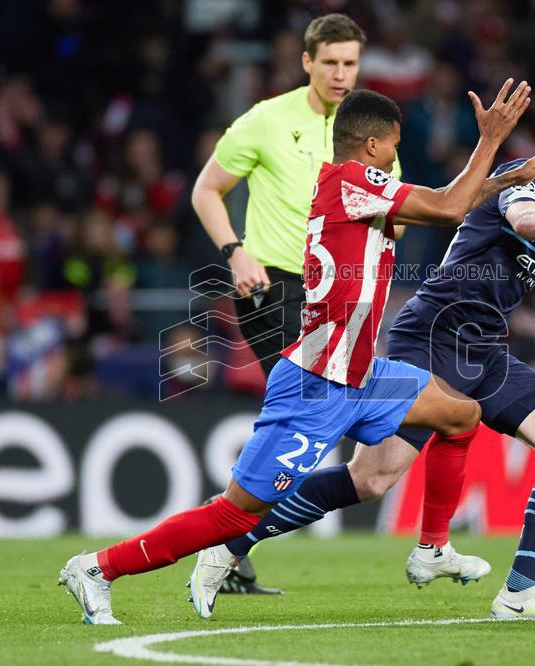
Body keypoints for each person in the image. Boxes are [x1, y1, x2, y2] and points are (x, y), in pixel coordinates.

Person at [59, 79, 535, 624]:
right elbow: (449, 207)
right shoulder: (354, 182)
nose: (396, 156)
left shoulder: (355, 190)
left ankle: (432, 550)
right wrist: (491, 141)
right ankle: (97, 568)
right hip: (316, 383)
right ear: (371, 146)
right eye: (393, 145)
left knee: (460, 416)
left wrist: (507, 178)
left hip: (361, 372)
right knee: (232, 515)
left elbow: (445, 205)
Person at [193, 102, 535, 621]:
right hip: (431, 338)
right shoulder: (515, 185)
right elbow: (528, 221)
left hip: (482, 350)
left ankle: (519, 594)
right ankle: (232, 540)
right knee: (371, 480)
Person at [190, 13, 389, 594]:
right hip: (271, 285)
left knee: (301, 422)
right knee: (308, 414)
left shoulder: (370, 131)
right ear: (307, 61)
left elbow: (386, 212)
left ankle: (228, 530)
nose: (340, 74)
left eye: (350, 63)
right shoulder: (265, 121)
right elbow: (206, 190)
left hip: (338, 297)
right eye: (329, 62)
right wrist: (234, 251)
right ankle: (228, 534)